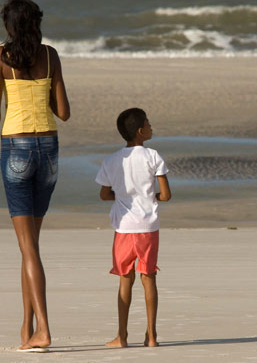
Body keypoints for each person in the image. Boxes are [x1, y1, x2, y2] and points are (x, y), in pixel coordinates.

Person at [0, 0, 70, 352]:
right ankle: (27, 325)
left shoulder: (1, 56)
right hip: (48, 149)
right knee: (29, 246)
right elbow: (63, 111)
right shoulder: (50, 56)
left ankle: (43, 328)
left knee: (28, 246)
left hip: (15, 149)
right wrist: (42, 94)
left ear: (9, 25)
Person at [96, 108, 172, 348]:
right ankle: (151, 336)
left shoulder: (111, 160)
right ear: (141, 131)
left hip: (124, 227)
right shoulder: (153, 156)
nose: (151, 127)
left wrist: (123, 197)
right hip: (148, 227)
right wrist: (150, 197)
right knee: (149, 279)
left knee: (125, 280)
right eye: (149, 124)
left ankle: (122, 336)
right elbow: (167, 195)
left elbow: (104, 194)